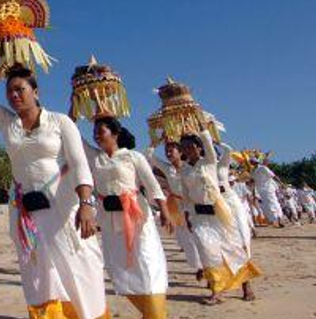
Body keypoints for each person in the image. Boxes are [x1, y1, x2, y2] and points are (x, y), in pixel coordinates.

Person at [0, 66, 108, 319]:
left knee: (78, 266)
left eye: (20, 89)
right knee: (36, 271)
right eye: (9, 91)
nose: (14, 95)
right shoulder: (7, 123)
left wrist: (87, 204)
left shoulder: (60, 121)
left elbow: (78, 163)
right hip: (25, 211)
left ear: (35, 91)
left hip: (63, 208)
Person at [82, 118, 170, 319]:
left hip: (137, 218)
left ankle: (156, 313)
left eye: (101, 131)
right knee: (120, 267)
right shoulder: (95, 158)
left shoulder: (133, 157)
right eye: (94, 131)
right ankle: (149, 312)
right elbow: (74, 137)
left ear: (115, 134)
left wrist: (164, 210)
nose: (96, 135)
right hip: (109, 221)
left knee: (147, 263)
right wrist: (75, 108)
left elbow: (152, 184)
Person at [179, 130, 261, 305]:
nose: (187, 149)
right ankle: (216, 291)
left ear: (200, 147)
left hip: (218, 211)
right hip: (199, 215)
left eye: (191, 146)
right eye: (184, 147)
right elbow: (186, 196)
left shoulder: (209, 162)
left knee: (231, 248)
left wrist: (202, 131)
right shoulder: (184, 170)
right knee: (207, 251)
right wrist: (187, 215)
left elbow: (212, 145)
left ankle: (246, 285)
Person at [146, 142, 203, 280]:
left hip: (191, 204)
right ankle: (199, 267)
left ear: (180, 152)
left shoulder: (190, 167)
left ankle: (207, 266)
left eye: (172, 150)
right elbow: (149, 155)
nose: (168, 153)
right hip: (175, 206)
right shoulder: (167, 168)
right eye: (167, 151)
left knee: (198, 237)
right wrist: (156, 142)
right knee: (184, 239)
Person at [251, 159, 285, 227]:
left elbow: (273, 176)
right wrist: (281, 183)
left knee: (270, 204)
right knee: (270, 205)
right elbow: (253, 182)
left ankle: (277, 220)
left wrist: (281, 183)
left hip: (265, 190)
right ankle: (275, 221)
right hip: (264, 191)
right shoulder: (257, 170)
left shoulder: (258, 170)